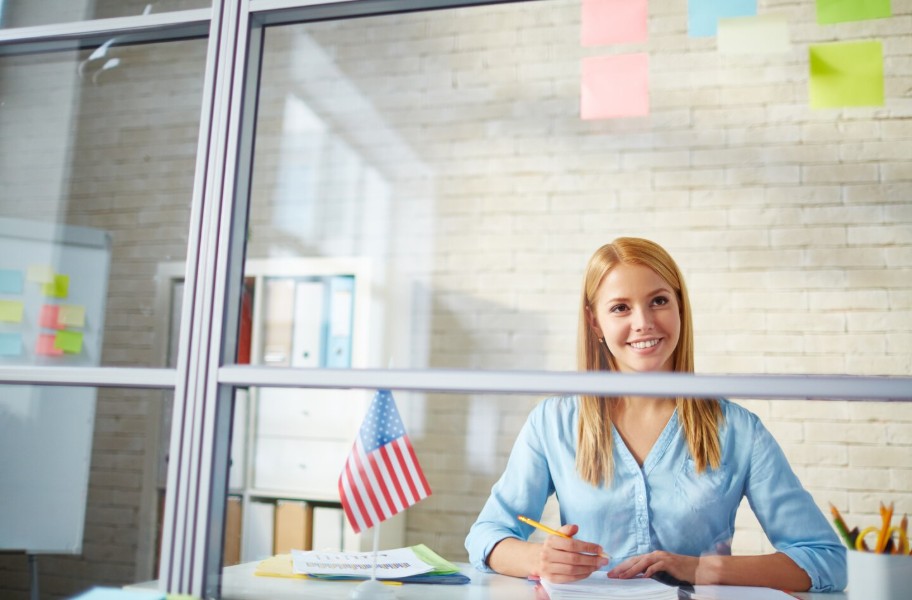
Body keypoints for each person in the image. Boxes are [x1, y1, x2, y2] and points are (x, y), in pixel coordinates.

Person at [464, 237, 846, 592]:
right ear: (595, 322)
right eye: (620, 308)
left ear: (680, 307)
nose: (643, 322)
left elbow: (826, 560)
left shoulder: (739, 430)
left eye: (659, 301)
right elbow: (485, 536)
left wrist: (699, 568)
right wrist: (539, 558)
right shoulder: (552, 422)